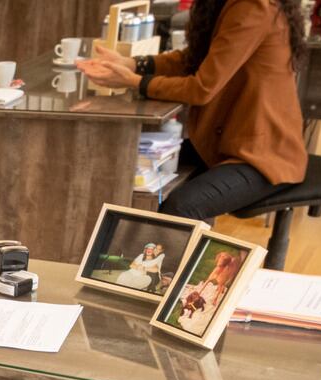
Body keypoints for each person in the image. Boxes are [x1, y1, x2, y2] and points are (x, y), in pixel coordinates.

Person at [78, 0, 307, 223]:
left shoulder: (253, 7)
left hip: (264, 157)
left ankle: (164, 260)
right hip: (231, 143)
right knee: (129, 164)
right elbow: (194, 60)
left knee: (180, 208)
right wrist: (134, 64)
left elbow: (202, 88)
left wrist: (136, 81)